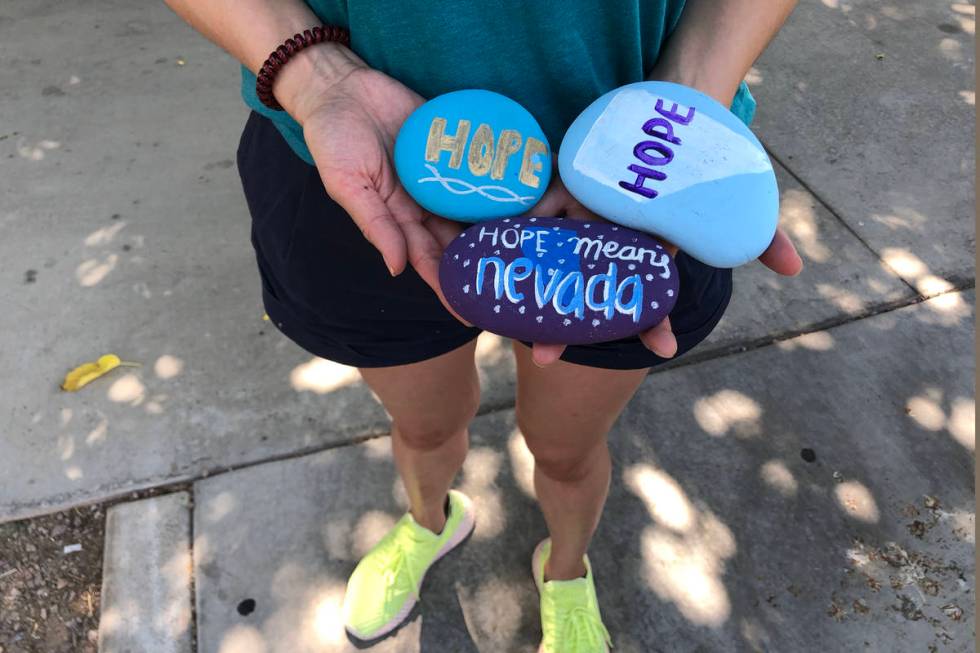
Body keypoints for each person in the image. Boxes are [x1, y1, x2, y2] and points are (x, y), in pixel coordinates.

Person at [165, 1, 802, 650]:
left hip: (649, 186)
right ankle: (428, 521)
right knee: (425, 426)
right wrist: (313, 73)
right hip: (365, 170)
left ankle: (566, 570)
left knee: (566, 452)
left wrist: (687, 97)